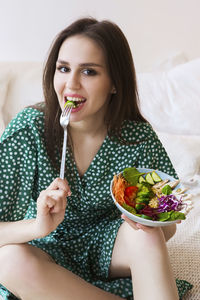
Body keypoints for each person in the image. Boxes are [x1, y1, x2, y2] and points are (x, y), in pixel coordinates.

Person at [0, 17, 192, 300]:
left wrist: (147, 221)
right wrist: (39, 226)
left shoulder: (136, 136)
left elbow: (169, 226)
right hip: (44, 246)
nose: (71, 84)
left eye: (89, 72)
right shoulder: (29, 128)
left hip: (109, 245)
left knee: (147, 236)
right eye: (63, 69)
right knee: (8, 261)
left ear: (114, 83)